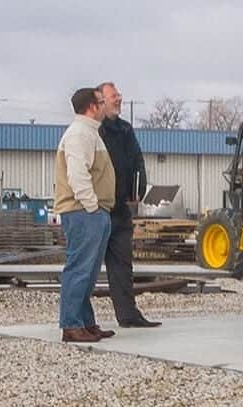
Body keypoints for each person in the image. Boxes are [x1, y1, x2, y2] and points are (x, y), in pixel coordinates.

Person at [54, 86, 117, 344]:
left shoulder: (90, 133)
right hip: (83, 212)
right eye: (101, 102)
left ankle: (85, 322)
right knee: (79, 269)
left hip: (92, 211)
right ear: (92, 107)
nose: (105, 105)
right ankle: (71, 325)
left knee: (88, 272)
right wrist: (92, 206)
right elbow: (77, 174)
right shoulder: (79, 134)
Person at [95, 80, 159, 328]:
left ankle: (128, 314)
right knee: (87, 266)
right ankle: (78, 319)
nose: (119, 99)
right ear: (101, 101)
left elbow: (137, 160)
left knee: (122, 264)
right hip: (97, 208)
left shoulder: (125, 130)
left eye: (119, 94)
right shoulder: (94, 130)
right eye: (114, 96)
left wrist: (138, 190)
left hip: (120, 208)